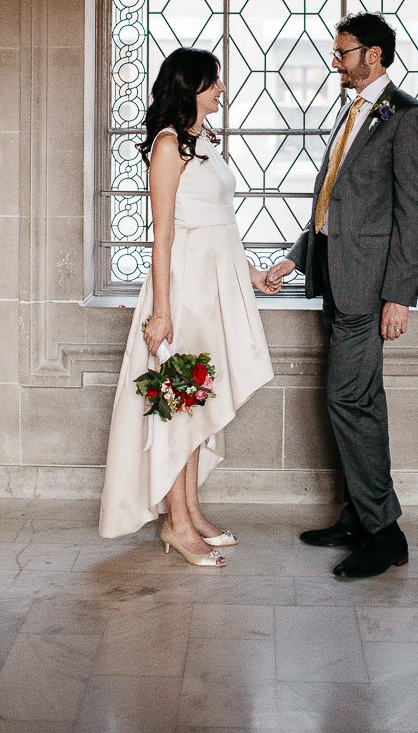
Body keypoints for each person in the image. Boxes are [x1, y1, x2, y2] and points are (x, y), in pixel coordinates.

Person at [267, 12, 418, 579]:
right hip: (337, 277)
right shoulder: (354, 112)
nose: (334, 62)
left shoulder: (406, 118)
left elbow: (413, 216)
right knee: (359, 399)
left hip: (370, 287)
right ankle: (358, 518)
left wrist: (399, 295)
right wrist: (296, 257)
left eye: (343, 53)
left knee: (350, 400)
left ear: (375, 54)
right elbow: (330, 202)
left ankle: (384, 534)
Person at [99, 47, 277, 566]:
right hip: (184, 293)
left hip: (216, 289)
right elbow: (163, 237)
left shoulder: (205, 144)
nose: (222, 88)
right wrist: (161, 312)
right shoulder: (168, 145)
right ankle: (177, 525)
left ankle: (193, 511)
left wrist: (253, 275)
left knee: (197, 403)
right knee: (179, 405)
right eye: (214, 82)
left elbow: (224, 228)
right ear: (191, 87)